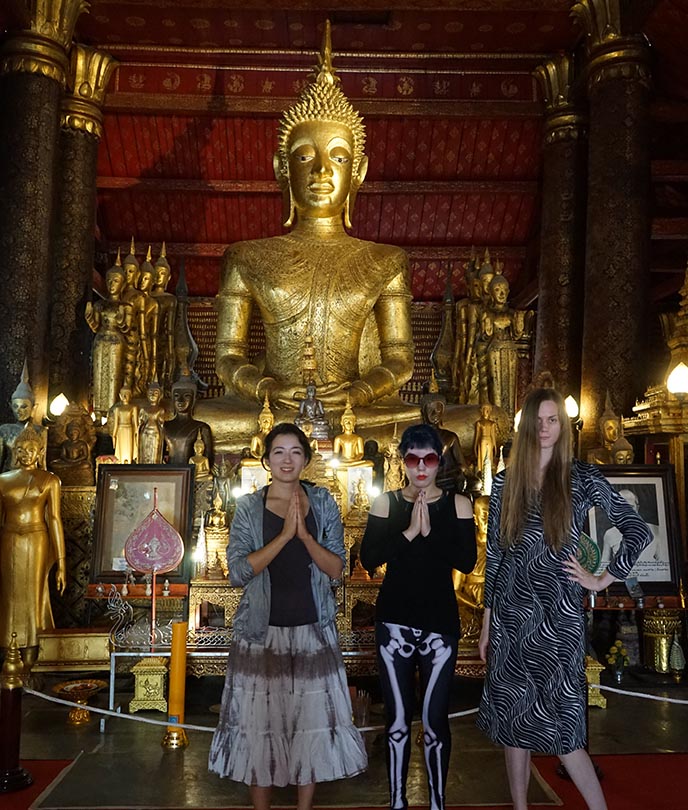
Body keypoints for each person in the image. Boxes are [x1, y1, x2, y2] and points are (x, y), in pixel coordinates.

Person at [476, 387, 653, 810]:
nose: (544, 427)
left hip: (559, 619)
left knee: (566, 727)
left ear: (563, 426)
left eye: (552, 419)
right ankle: (520, 806)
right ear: (526, 427)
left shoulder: (582, 477)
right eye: (537, 420)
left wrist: (601, 578)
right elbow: (496, 555)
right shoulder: (505, 481)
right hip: (511, 618)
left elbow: (638, 529)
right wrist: (487, 623)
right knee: (513, 719)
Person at [208, 423, 366, 808]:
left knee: (310, 727)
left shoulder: (323, 502)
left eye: (295, 452)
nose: (286, 460)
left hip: (313, 630)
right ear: (266, 459)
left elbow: (337, 568)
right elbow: (238, 573)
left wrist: (306, 537)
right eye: (278, 452)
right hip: (262, 632)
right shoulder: (249, 507)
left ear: (306, 459)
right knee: (258, 728)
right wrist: (282, 537)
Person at [360, 423, 477, 810]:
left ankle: (437, 803)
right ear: (404, 462)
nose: (421, 468)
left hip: (440, 621)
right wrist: (410, 531)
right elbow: (369, 558)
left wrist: (432, 532)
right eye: (414, 459)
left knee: (434, 720)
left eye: (429, 459)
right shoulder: (387, 503)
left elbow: (466, 559)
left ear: (438, 461)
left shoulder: (459, 504)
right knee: (396, 721)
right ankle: (397, 802)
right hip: (394, 620)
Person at [0, 425, 66, 669]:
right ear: (14, 451)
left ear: (40, 452)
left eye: (31, 449)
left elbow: (55, 520)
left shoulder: (50, 480)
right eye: (21, 449)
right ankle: (8, 650)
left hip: (37, 539)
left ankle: (32, 652)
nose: (26, 453)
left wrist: (61, 562)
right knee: (8, 595)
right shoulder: (3, 481)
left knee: (33, 595)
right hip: (8, 540)